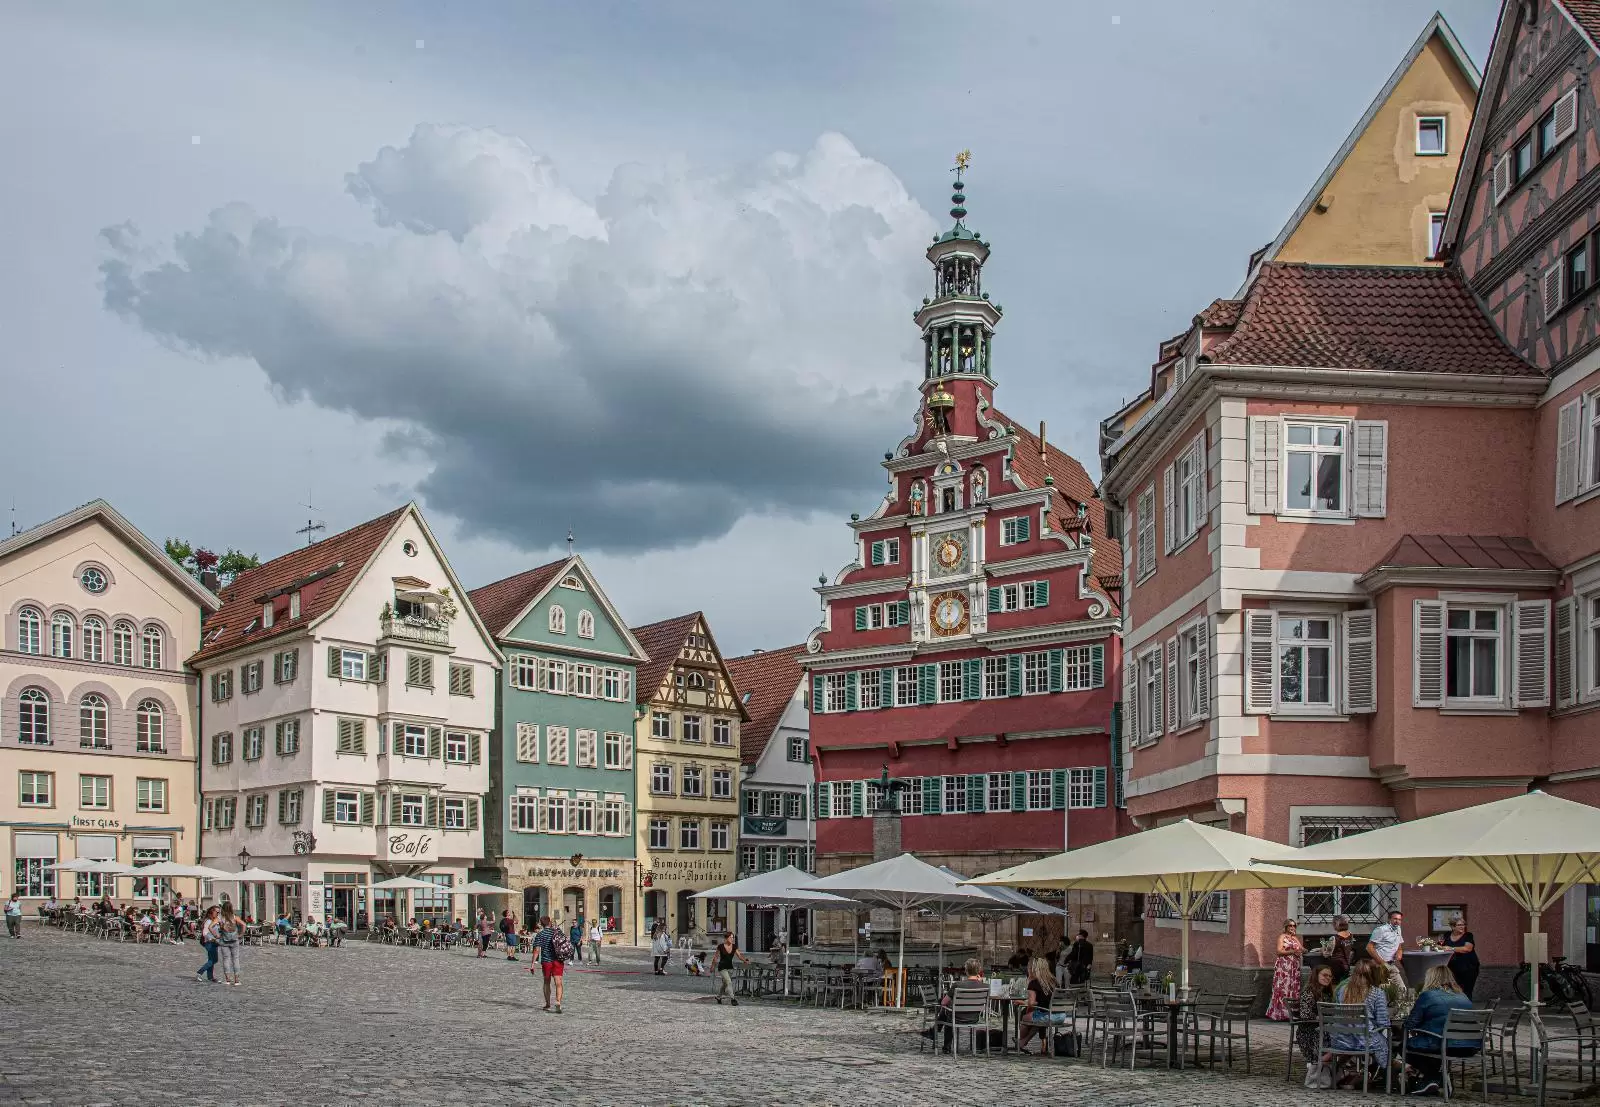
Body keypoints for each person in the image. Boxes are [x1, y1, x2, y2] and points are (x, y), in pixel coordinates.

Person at [1403, 965, 1477, 1096]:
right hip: (1469, 1045)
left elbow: (1410, 1023)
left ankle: (1434, 1077)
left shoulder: (1427, 996)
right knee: (1431, 1044)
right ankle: (1433, 1079)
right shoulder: (1463, 996)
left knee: (1403, 1046)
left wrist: (1407, 1027)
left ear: (1430, 978)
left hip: (1444, 1044)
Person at [1329, 960, 1391, 1088]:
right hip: (1364, 1042)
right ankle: (1384, 1075)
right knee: (1386, 1041)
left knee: (1365, 1035)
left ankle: (1357, 1075)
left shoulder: (1343, 990)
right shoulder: (1377, 993)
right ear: (1374, 975)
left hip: (1340, 1040)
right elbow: (1383, 1023)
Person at [921, 958, 985, 1053]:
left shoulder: (957, 985)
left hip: (957, 1018)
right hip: (974, 1018)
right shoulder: (985, 986)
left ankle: (941, 1041)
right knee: (949, 1013)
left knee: (947, 1011)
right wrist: (980, 982)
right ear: (978, 971)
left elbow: (943, 1002)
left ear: (966, 970)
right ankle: (935, 1035)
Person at [1298, 964, 1338, 1075]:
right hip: (1309, 1031)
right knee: (1337, 1036)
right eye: (1325, 975)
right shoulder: (1309, 992)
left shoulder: (1327, 993)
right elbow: (1305, 1014)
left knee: (1343, 1034)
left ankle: (1333, 1066)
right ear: (1316, 975)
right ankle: (1319, 1065)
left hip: (1324, 1028)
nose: (1328, 978)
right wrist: (1322, 1018)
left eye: (1330, 976)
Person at [1017, 955, 1061, 1056]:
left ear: (1034, 969)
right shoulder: (1054, 981)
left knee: (1024, 1017)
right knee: (1037, 1019)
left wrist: (1024, 1003)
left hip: (1047, 1016)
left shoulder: (1034, 983)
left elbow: (1031, 1003)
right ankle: (1023, 1042)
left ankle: (1022, 1041)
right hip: (1060, 1016)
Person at [1267, 919, 1305, 1021]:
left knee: (1293, 988)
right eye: (1290, 925)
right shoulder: (1282, 937)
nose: (1292, 927)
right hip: (1284, 966)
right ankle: (1279, 1013)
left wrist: (1318, 949)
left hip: (1294, 967)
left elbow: (1302, 949)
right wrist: (1293, 951)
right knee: (1283, 988)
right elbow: (1279, 951)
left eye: (1294, 926)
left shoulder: (1295, 938)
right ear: (1286, 927)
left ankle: (1291, 1013)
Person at [531, 915, 566, 1013]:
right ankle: (558, 1002)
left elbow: (536, 950)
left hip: (546, 961)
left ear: (541, 924)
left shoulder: (540, 934)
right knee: (558, 982)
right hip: (558, 960)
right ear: (549, 922)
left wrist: (532, 964)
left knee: (546, 982)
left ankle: (547, 1004)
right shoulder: (556, 932)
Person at [1439, 916, 1479, 1000]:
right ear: (1453, 926)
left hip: (1468, 968)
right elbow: (1439, 946)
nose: (1462, 927)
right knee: (1452, 992)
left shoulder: (1468, 935)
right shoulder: (1446, 935)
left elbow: (1467, 949)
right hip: (1451, 968)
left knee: (1466, 992)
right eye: (1459, 925)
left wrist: (1451, 948)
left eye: (1463, 924)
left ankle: (1467, 1007)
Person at [1368, 909, 1407, 992]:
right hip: (1380, 966)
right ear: (1389, 919)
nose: (1397, 921)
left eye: (1399, 919)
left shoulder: (1398, 929)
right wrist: (1382, 963)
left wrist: (1399, 953)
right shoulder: (1381, 930)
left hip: (1391, 965)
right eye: (1395, 919)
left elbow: (1399, 946)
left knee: (1402, 990)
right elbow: (1369, 947)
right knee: (1383, 991)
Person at [713, 932, 749, 1006]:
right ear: (726, 938)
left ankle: (718, 997)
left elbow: (739, 955)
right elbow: (716, 957)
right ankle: (733, 999)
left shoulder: (734, 946)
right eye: (730, 937)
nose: (732, 939)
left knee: (725, 984)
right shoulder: (720, 946)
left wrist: (745, 960)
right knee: (729, 982)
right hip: (722, 967)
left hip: (730, 968)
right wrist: (712, 966)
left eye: (733, 937)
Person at [216, 902, 243, 987]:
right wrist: (241, 934)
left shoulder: (221, 918)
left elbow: (210, 926)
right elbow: (244, 924)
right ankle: (237, 981)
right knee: (236, 959)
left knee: (226, 959)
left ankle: (227, 980)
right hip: (234, 940)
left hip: (224, 941)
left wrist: (216, 935)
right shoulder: (235, 917)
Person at [195, 905, 221, 984]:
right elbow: (205, 933)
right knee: (214, 960)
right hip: (209, 942)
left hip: (214, 943)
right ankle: (199, 973)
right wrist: (211, 939)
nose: (218, 914)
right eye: (217, 912)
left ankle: (210, 977)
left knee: (211, 960)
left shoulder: (214, 921)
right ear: (212, 911)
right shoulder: (208, 921)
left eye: (219, 912)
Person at [1328, 915, 1355, 982]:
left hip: (1336, 966)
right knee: (1344, 984)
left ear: (1335, 925)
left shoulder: (1334, 938)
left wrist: (1322, 949)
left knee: (1336, 985)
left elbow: (1327, 953)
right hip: (1347, 965)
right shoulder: (1351, 935)